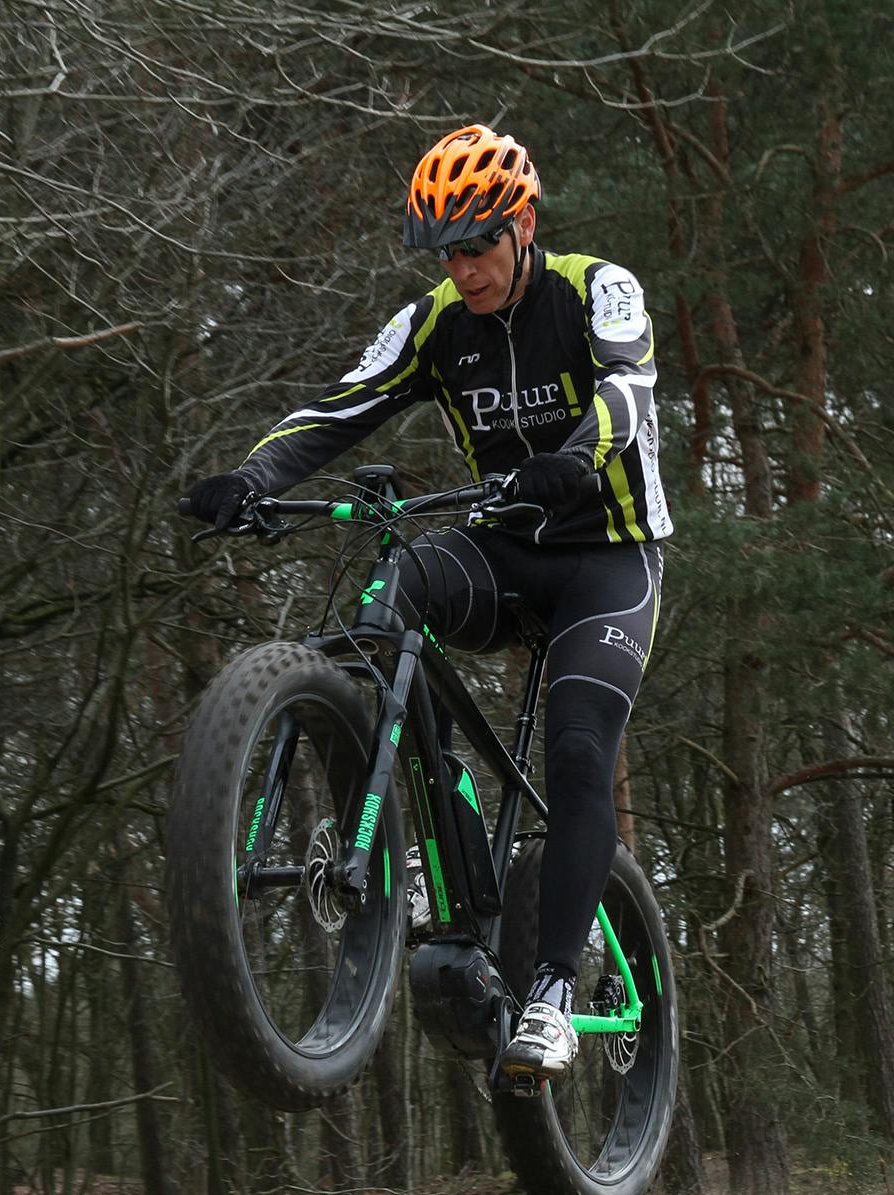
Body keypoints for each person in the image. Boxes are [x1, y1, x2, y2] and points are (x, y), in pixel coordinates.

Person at [184, 123, 669, 1085]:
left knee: (577, 749)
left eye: (480, 243)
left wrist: (571, 465)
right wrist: (250, 476)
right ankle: (419, 853)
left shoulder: (596, 286)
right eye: (446, 251)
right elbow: (340, 405)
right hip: (507, 545)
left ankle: (554, 994)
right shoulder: (435, 321)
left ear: (523, 224)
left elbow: (629, 393)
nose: (465, 267)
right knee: (389, 594)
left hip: (609, 559)